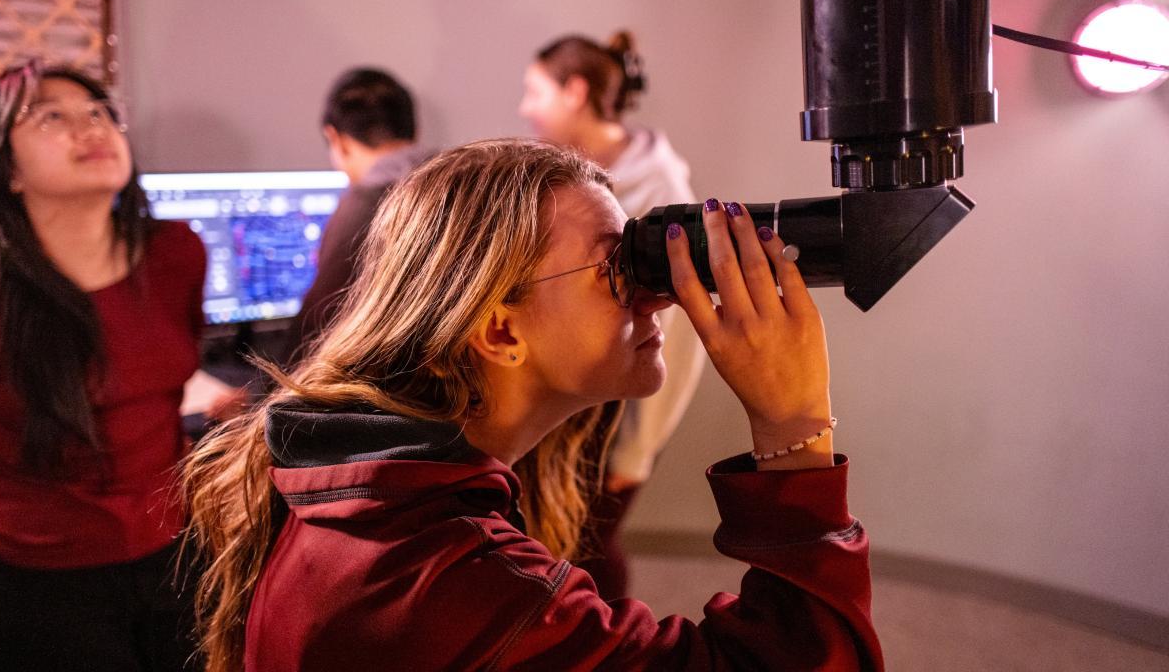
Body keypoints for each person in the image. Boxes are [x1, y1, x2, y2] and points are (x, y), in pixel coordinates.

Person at [182, 139, 883, 671]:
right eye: (618, 268)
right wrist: (792, 426)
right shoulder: (452, 586)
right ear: (500, 329)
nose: (659, 294)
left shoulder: (368, 498)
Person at [0, 61, 205, 671]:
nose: (89, 127)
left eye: (98, 113)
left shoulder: (176, 252)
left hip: (174, 547)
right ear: (5, 168)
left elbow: (160, 384)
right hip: (33, 576)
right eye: (51, 117)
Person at [519, 30, 708, 597]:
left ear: (574, 92)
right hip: (571, 397)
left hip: (612, 418)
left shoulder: (660, 191)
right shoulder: (575, 177)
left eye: (534, 91)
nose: (524, 108)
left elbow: (676, 338)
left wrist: (637, 448)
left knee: (588, 549)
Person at [289, 67, 433, 355]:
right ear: (414, 131)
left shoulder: (365, 204)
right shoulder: (465, 183)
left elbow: (315, 332)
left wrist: (258, 395)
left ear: (336, 139)